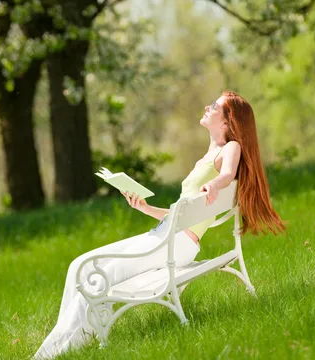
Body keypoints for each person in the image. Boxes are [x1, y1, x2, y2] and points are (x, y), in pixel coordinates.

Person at [33, 90, 285, 359]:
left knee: (96, 281)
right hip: (167, 236)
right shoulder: (209, 154)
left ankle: (53, 354)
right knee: (78, 266)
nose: (206, 107)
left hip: (176, 245)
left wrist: (214, 184)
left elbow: (227, 175)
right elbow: (182, 214)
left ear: (227, 121)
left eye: (214, 106)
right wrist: (146, 207)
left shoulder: (229, 148)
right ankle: (63, 345)